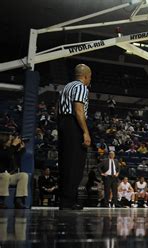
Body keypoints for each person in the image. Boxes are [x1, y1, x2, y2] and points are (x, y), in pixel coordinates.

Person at [57, 64, 91, 210]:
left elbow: (57, 109)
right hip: (73, 124)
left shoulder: (66, 87)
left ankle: (64, 199)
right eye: (90, 77)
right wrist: (85, 131)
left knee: (65, 162)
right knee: (75, 164)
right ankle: (68, 201)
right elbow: (78, 110)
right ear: (85, 76)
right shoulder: (81, 87)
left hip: (63, 123)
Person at [0, 133, 28, 209]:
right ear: (3, 141)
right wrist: (13, 146)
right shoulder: (3, 151)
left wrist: (21, 150)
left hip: (8, 176)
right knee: (5, 175)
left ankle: (18, 200)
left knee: (23, 175)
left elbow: (16, 161)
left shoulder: (10, 150)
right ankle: (1, 200)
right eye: (9, 140)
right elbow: (6, 156)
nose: (11, 142)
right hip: (1, 176)